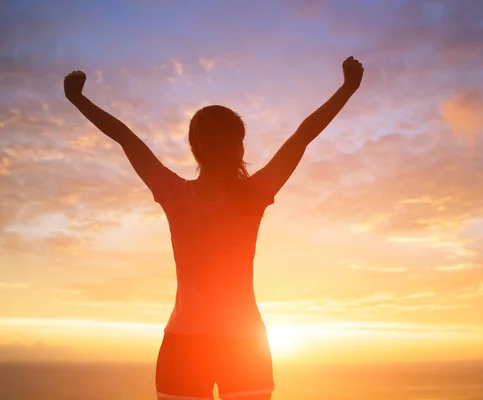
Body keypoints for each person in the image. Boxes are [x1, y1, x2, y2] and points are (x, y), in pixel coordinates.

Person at [64, 56, 364, 400]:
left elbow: (126, 138)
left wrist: (78, 99)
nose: (239, 147)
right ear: (208, 146)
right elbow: (302, 136)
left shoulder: (184, 192)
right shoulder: (244, 193)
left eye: (239, 139)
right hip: (230, 344)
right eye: (234, 139)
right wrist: (347, 88)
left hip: (209, 344)